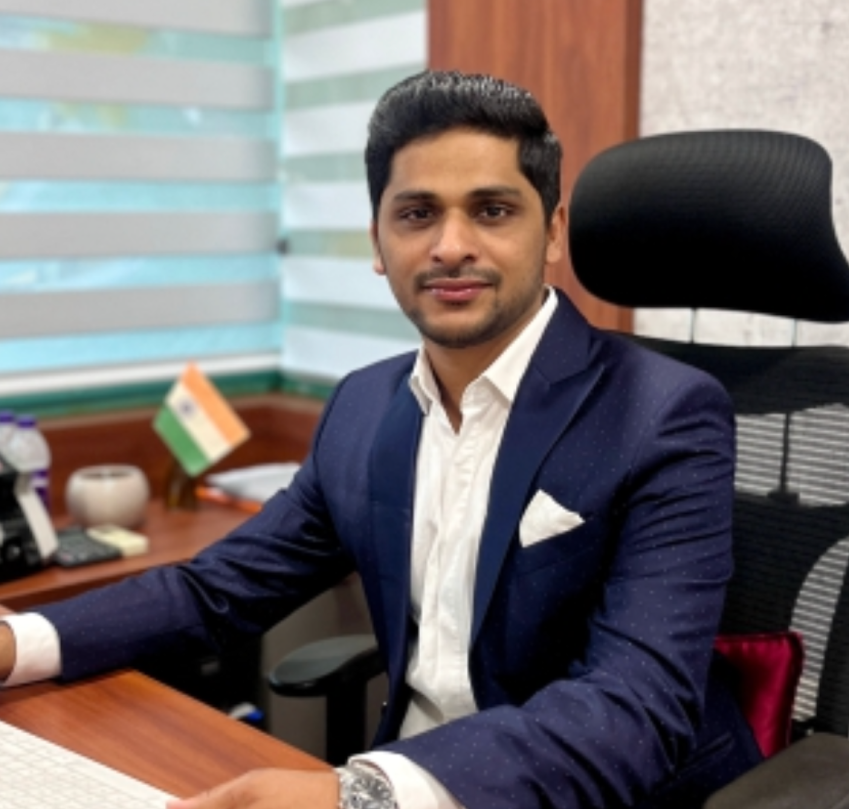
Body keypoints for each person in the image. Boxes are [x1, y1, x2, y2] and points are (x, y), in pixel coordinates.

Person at [0, 70, 761, 809]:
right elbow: (216, 589)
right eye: (417, 214)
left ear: (553, 231)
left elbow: (633, 706)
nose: (451, 246)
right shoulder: (363, 406)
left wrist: (358, 793)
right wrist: (15, 642)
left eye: (492, 210)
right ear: (377, 240)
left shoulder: (662, 413)